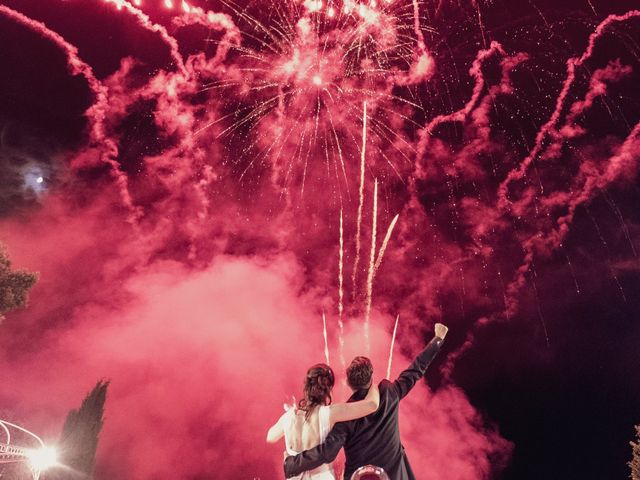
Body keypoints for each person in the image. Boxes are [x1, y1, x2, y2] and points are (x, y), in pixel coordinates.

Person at [284, 323, 448, 480]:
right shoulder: (389, 393)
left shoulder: (344, 415)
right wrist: (437, 339)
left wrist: (292, 464)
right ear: (372, 376)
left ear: (348, 382)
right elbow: (415, 370)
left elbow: (326, 452)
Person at [267, 363, 380, 479]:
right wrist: (373, 385)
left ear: (306, 386)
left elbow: (270, 437)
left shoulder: (289, 416)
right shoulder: (330, 413)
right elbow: (372, 405)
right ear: (328, 389)